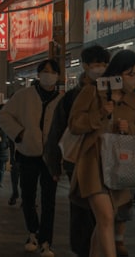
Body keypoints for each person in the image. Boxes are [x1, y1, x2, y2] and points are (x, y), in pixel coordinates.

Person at [67, 50, 135, 257]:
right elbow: (74, 124)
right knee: (106, 218)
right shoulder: (92, 93)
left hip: (119, 166)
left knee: (105, 221)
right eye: (130, 74)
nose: (133, 79)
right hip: (92, 164)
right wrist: (100, 114)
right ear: (117, 73)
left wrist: (128, 129)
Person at [44, 45, 110, 257]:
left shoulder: (113, 93)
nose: (100, 69)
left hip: (108, 161)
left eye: (103, 64)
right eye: (95, 65)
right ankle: (84, 251)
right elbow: (58, 130)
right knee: (83, 211)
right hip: (80, 161)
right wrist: (54, 164)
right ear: (85, 66)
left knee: (103, 215)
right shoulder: (73, 97)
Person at [0, 59, 63, 257]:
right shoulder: (24, 96)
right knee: (27, 196)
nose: (47, 75)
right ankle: (32, 232)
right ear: (38, 74)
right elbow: (4, 115)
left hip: (51, 156)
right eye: (44, 71)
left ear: (58, 75)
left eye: (51, 72)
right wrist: (20, 134)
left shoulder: (62, 99)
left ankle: (46, 241)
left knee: (49, 200)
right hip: (27, 153)